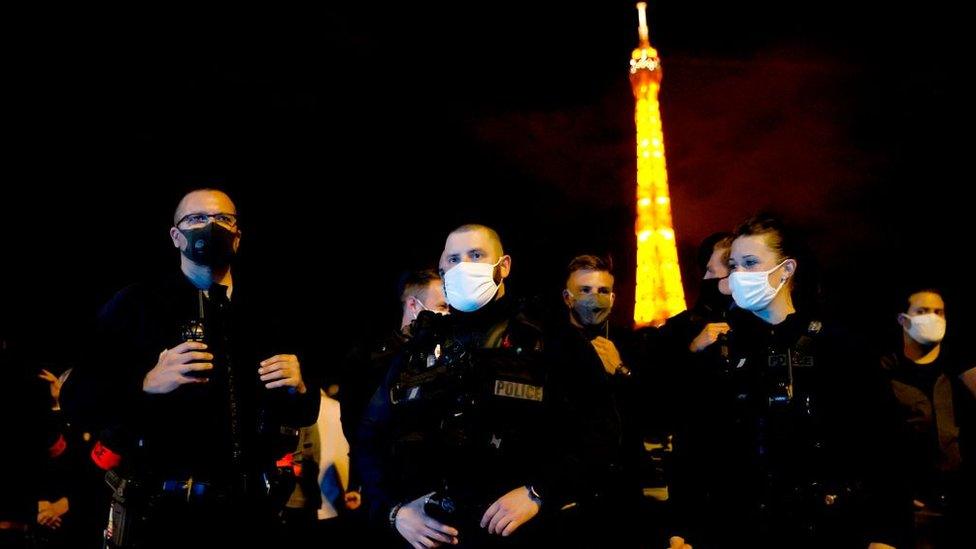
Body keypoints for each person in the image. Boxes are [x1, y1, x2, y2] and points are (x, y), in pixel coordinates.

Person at [61, 188, 319, 548]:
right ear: (176, 236)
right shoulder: (137, 304)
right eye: (197, 219)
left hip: (252, 512)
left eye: (223, 219)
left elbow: (305, 414)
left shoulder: (267, 312)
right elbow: (77, 398)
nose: (211, 227)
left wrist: (301, 388)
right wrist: (144, 382)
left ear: (238, 236)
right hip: (164, 514)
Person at [667, 214, 908, 549]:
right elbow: (693, 444)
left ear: (787, 269)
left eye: (751, 263)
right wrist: (681, 527)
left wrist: (885, 533)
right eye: (734, 265)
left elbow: (882, 441)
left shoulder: (839, 346)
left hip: (824, 527)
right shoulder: (721, 349)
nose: (740, 275)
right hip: (736, 527)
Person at [357, 224, 550, 548]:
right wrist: (394, 510)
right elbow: (369, 437)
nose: (464, 267)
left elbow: (597, 431)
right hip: (430, 536)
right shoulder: (417, 347)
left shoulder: (544, 340)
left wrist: (539, 491)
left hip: (518, 535)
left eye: (476, 255)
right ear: (443, 269)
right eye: (454, 259)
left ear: (503, 266)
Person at [545, 254, 646, 546]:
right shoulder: (549, 347)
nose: (595, 298)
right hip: (568, 489)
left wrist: (621, 370)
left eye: (602, 291)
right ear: (567, 297)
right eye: (585, 290)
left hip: (622, 488)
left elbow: (647, 410)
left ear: (613, 297)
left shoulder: (631, 343)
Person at [879, 286, 971, 547]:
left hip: (957, 504)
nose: (932, 318)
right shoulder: (885, 373)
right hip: (910, 510)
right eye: (922, 311)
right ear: (903, 319)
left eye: (938, 312)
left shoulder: (959, 374)